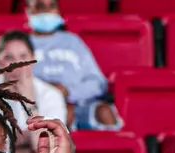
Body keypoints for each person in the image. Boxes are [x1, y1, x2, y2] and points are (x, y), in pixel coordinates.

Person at [23, 0, 119, 131]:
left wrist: (68, 92)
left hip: (77, 105)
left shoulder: (73, 42)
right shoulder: (19, 43)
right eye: (39, 6)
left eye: (51, 6)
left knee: (104, 112)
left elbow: (97, 83)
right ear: (28, 10)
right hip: (34, 108)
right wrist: (49, 93)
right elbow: (7, 82)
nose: (46, 11)